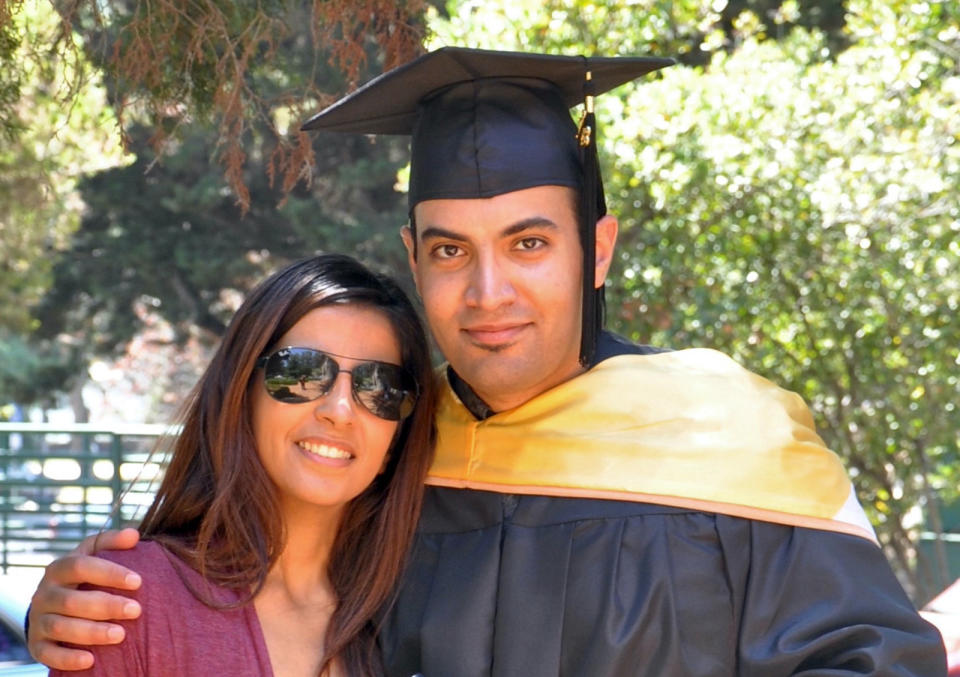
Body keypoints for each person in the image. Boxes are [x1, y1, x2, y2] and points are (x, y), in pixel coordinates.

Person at [28, 48, 946, 676]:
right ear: (413, 252)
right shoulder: (393, 454)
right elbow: (240, 582)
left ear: (600, 249)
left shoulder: (736, 444)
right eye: (450, 250)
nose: (488, 293)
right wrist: (65, 609)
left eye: (530, 242)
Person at [45, 253, 436, 676]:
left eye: (379, 387)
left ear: (395, 442)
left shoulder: (412, 623)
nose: (340, 410)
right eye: (301, 370)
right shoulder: (129, 600)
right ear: (240, 397)